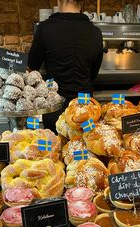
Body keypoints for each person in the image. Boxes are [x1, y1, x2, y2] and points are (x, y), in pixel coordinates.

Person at [28, 0, 103, 133]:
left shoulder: (45, 28)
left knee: (53, 149)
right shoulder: (95, 32)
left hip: (54, 106)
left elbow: (33, 66)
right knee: (83, 148)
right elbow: (93, 73)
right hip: (85, 110)